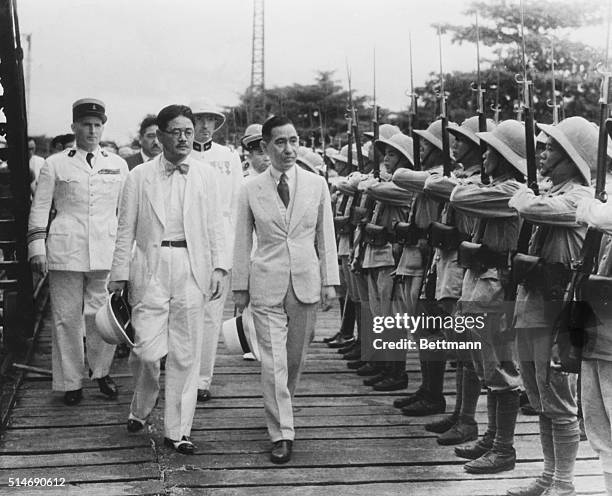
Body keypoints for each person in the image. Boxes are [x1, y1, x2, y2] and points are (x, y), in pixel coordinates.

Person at [108, 104, 228, 455]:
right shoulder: (139, 176)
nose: (184, 138)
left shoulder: (206, 175)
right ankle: (142, 403)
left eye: (188, 132)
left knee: (186, 352)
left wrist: (219, 268)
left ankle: (178, 431)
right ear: (159, 136)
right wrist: (119, 274)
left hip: (193, 265)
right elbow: (125, 228)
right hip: (151, 265)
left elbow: (216, 226)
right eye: (176, 131)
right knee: (146, 351)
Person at [232, 115, 339, 464]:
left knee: (294, 361)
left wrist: (330, 282)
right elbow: (240, 241)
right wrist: (240, 288)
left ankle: (280, 404)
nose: (289, 149)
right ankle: (282, 432)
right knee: (273, 362)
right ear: (264, 147)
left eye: (294, 140)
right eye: (280, 142)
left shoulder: (316, 184)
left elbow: (327, 237)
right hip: (266, 283)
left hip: (306, 283)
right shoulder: (250, 188)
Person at [508, 116, 596, 496]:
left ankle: (564, 482)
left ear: (570, 157)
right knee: (538, 397)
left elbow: (536, 209)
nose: (541, 154)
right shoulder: (550, 191)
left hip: (558, 310)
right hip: (531, 303)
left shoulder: (579, 197)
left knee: (559, 401)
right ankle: (548, 474)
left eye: (549, 148)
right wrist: (530, 195)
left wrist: (525, 196)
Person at [27, 98, 128, 406]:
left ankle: (101, 372)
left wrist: (126, 255)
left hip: (105, 248)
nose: (92, 130)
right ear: (74, 127)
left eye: (97, 125)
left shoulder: (117, 164)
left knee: (102, 316)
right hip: (65, 248)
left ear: (103, 127)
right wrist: (36, 247)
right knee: (66, 317)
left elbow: (124, 213)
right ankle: (70, 381)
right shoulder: (55, 163)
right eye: (86, 124)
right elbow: (41, 206)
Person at [450, 120, 525, 475]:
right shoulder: (498, 186)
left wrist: (470, 182)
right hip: (481, 279)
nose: (484, 156)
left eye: (491, 150)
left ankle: (503, 449)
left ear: (506, 157)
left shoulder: (508, 189)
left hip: (495, 283)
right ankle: (493, 437)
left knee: (498, 368)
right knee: (485, 365)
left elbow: (458, 196)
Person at [189, 97, 243, 403]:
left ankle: (202, 379)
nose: (205, 126)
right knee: (184, 311)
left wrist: (232, 251)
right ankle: (181, 373)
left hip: (219, 243)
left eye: (211, 120)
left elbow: (236, 204)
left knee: (211, 315)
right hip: (188, 240)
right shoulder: (181, 156)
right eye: (200, 119)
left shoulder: (229, 157)